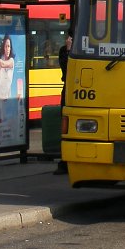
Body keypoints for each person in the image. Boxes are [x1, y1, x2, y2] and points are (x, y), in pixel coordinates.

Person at [54, 31, 73, 175]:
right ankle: (65, 160)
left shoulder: (86, 50)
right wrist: (68, 51)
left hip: (79, 92)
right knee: (65, 127)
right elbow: (66, 70)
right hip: (67, 92)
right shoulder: (63, 51)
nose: (68, 40)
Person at [0, 34, 15, 124]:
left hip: (7, 97)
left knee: (3, 120)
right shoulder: (1, 58)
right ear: (3, 47)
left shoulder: (11, 61)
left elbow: (3, 64)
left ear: (10, 48)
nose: (7, 49)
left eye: (9, 46)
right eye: (6, 46)